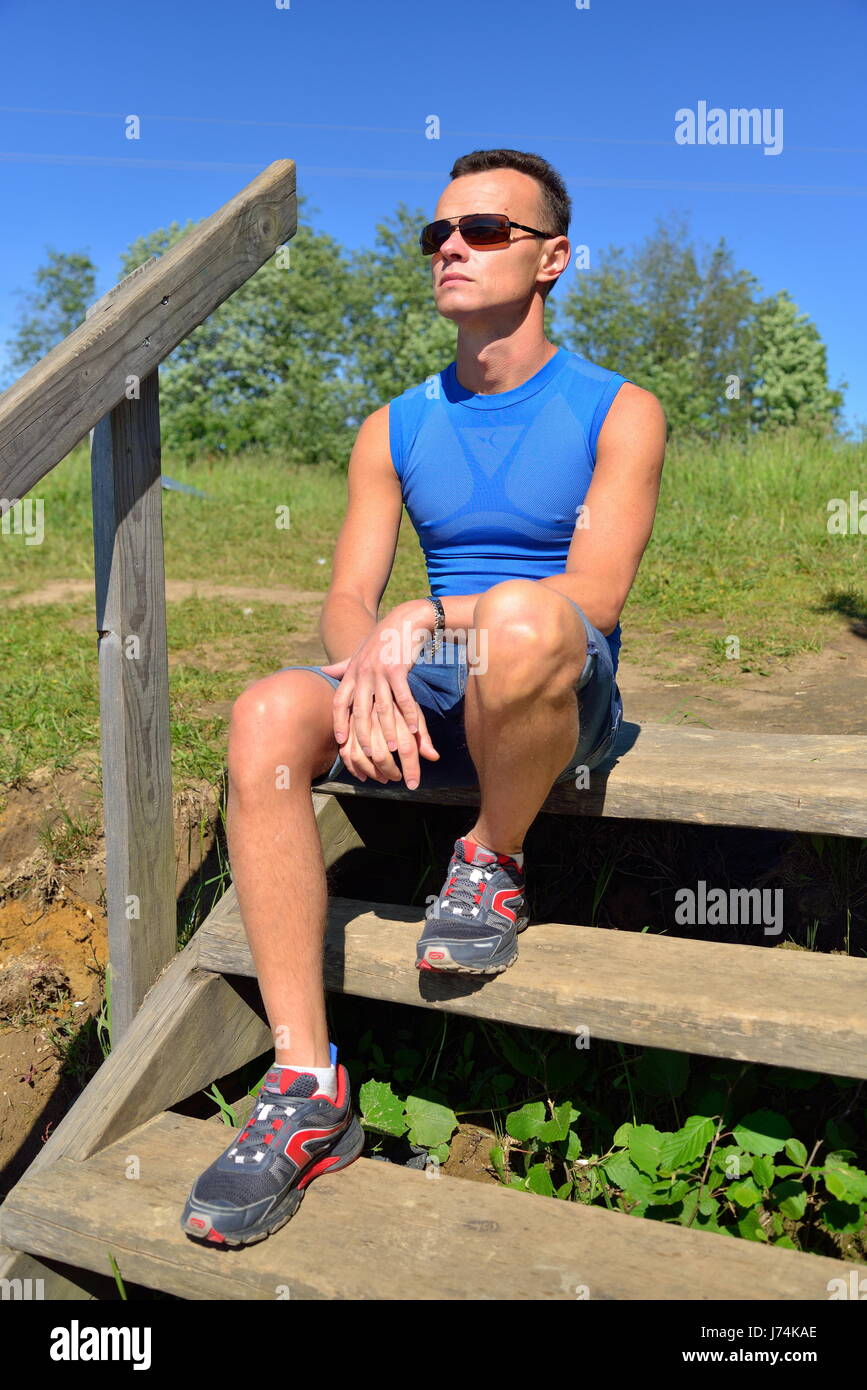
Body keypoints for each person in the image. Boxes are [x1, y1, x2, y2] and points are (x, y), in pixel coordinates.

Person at [181, 147, 666, 1247]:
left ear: (554, 258)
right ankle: (307, 1084)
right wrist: (366, 669)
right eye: (438, 233)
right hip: (427, 687)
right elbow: (349, 601)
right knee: (265, 712)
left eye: (486, 230)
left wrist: (431, 618)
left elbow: (593, 592)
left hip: (546, 684)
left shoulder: (621, 408)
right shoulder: (392, 426)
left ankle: (491, 855)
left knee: (524, 620)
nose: (451, 246)